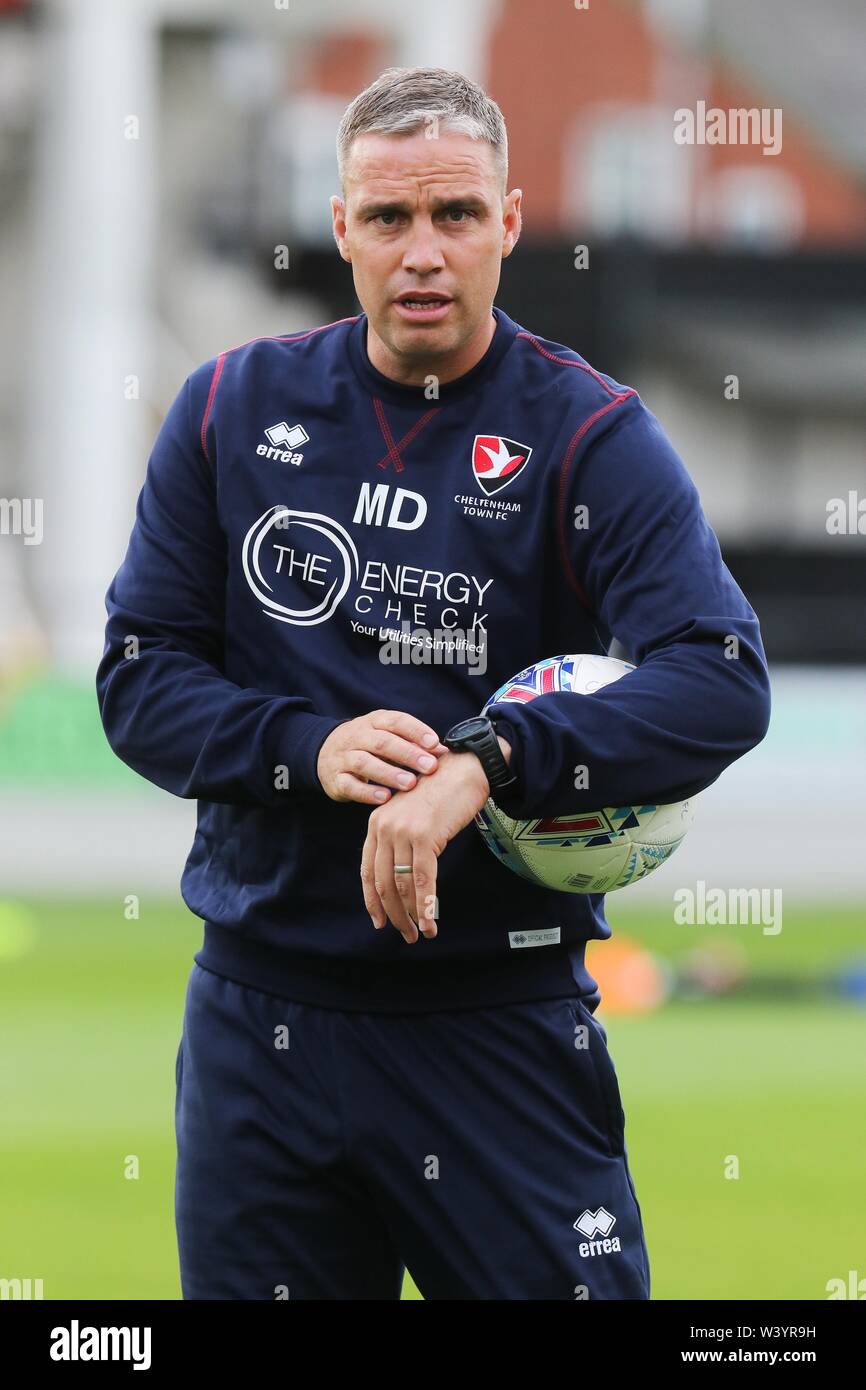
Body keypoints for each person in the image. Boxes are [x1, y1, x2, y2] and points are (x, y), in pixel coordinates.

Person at [96, 66, 771, 1300]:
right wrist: (306, 747)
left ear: (507, 226)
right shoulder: (228, 411)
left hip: (497, 1024)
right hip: (263, 1024)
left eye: (455, 215)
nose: (423, 252)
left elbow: (721, 678)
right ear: (341, 226)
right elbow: (140, 680)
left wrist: (488, 760)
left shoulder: (588, 435)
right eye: (390, 218)